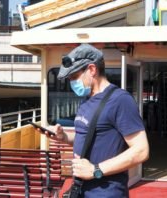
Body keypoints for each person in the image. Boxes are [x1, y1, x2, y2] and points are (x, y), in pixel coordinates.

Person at [43, 43, 149, 198]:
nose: (72, 82)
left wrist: (95, 170)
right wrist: (64, 137)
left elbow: (141, 150)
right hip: (82, 189)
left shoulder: (120, 100)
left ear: (92, 69)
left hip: (106, 192)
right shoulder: (87, 99)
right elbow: (90, 137)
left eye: (74, 76)